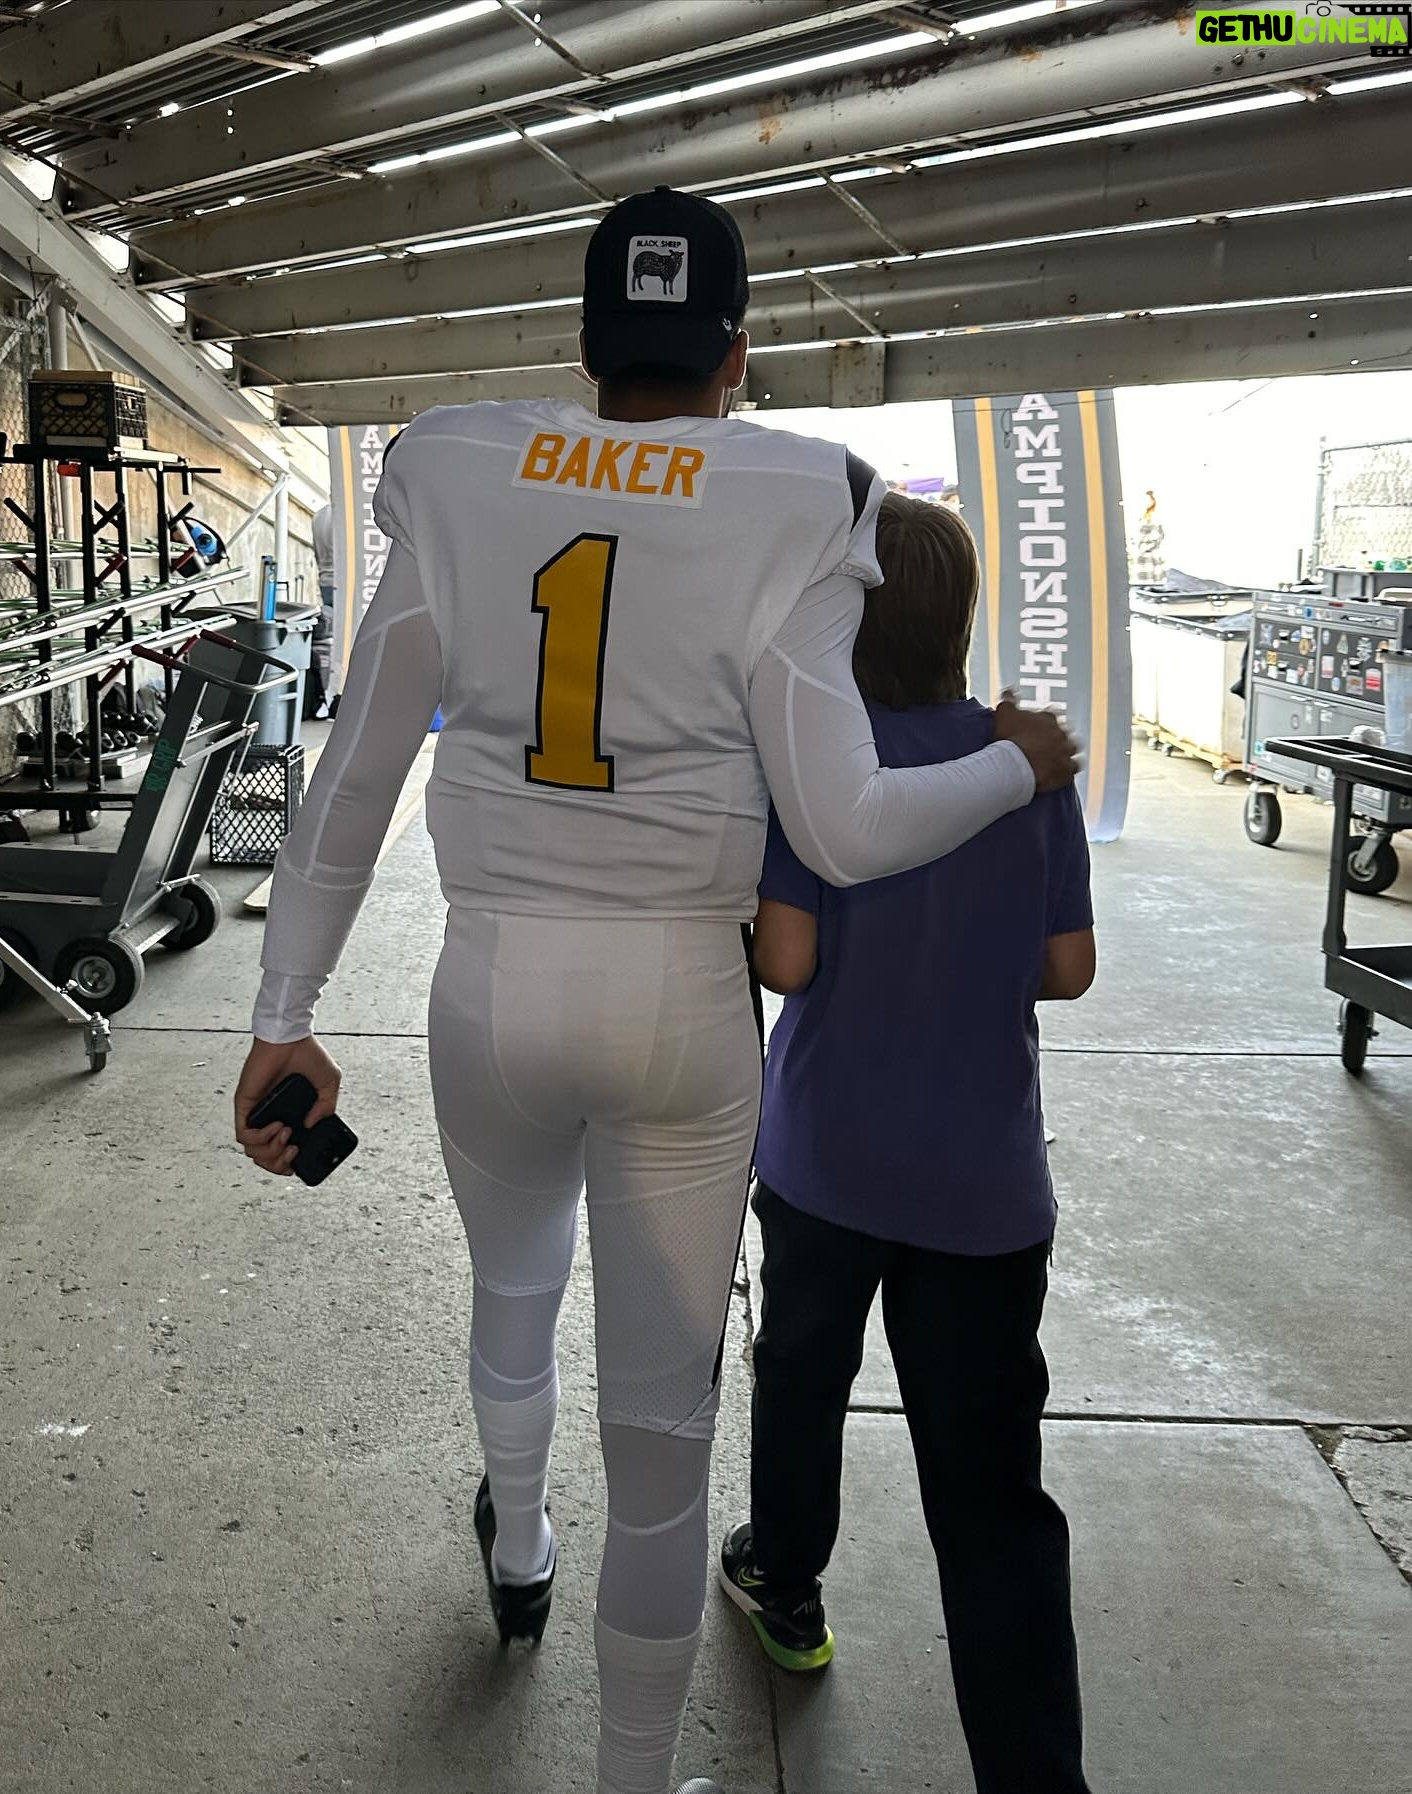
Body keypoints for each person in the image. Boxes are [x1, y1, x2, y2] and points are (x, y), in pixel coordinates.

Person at [232, 188, 1077, 1794]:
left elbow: (355, 771)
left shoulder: (462, 463)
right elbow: (846, 824)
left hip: (491, 976)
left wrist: (285, 1010)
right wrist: (1008, 766)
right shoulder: (800, 494)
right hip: (682, 998)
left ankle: (519, 1546)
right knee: (664, 1437)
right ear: (736, 358)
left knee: (511, 1291)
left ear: (584, 346)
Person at [721, 492, 1097, 1794]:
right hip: (984, 1184)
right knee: (993, 1493)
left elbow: (787, 958)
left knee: (801, 1375)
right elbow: (1068, 967)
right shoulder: (1023, 761)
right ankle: (1034, 1773)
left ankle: (786, 1582)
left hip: (826, 1160)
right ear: (961, 620)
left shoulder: (820, 762)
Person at [308, 501, 335, 719]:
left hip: (326, 579)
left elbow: (317, 554)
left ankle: (324, 696)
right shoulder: (349, 515)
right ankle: (332, 695)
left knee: (329, 638)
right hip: (346, 584)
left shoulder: (320, 515)